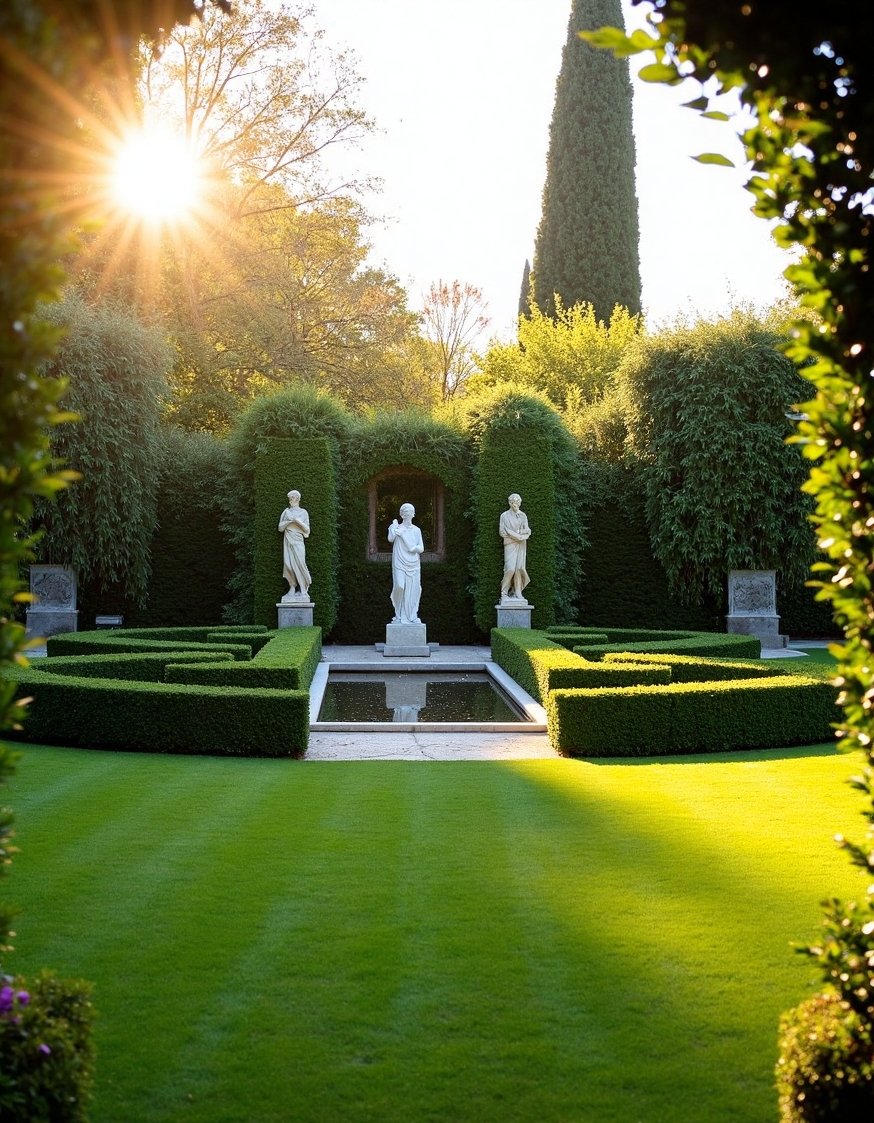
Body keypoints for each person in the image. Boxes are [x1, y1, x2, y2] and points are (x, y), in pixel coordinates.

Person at [388, 502, 424, 624]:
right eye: (404, 511)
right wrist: (393, 528)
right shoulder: (397, 528)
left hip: (413, 563)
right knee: (400, 586)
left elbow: (421, 548)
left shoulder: (416, 530)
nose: (406, 513)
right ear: (401, 514)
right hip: (399, 561)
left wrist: (412, 547)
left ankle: (412, 615)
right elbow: (390, 539)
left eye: (409, 511)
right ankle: (398, 614)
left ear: (413, 514)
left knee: (413, 590)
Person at [278, 490, 311, 599]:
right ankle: (292, 587)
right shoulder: (286, 512)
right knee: (288, 565)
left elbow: (307, 530)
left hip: (298, 542)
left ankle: (303, 590)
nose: (290, 500)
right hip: (288, 541)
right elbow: (280, 528)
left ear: (297, 498)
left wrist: (297, 521)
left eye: (291, 498)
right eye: (289, 498)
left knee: (300, 564)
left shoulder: (303, 512)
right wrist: (288, 522)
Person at [499, 493, 531, 600]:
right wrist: (517, 536)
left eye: (517, 502)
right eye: (513, 502)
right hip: (510, 544)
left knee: (519, 568)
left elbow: (527, 530)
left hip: (521, 544)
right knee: (510, 569)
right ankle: (504, 593)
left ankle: (517, 592)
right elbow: (502, 532)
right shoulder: (504, 516)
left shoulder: (523, 515)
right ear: (509, 503)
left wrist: (516, 533)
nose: (515, 504)